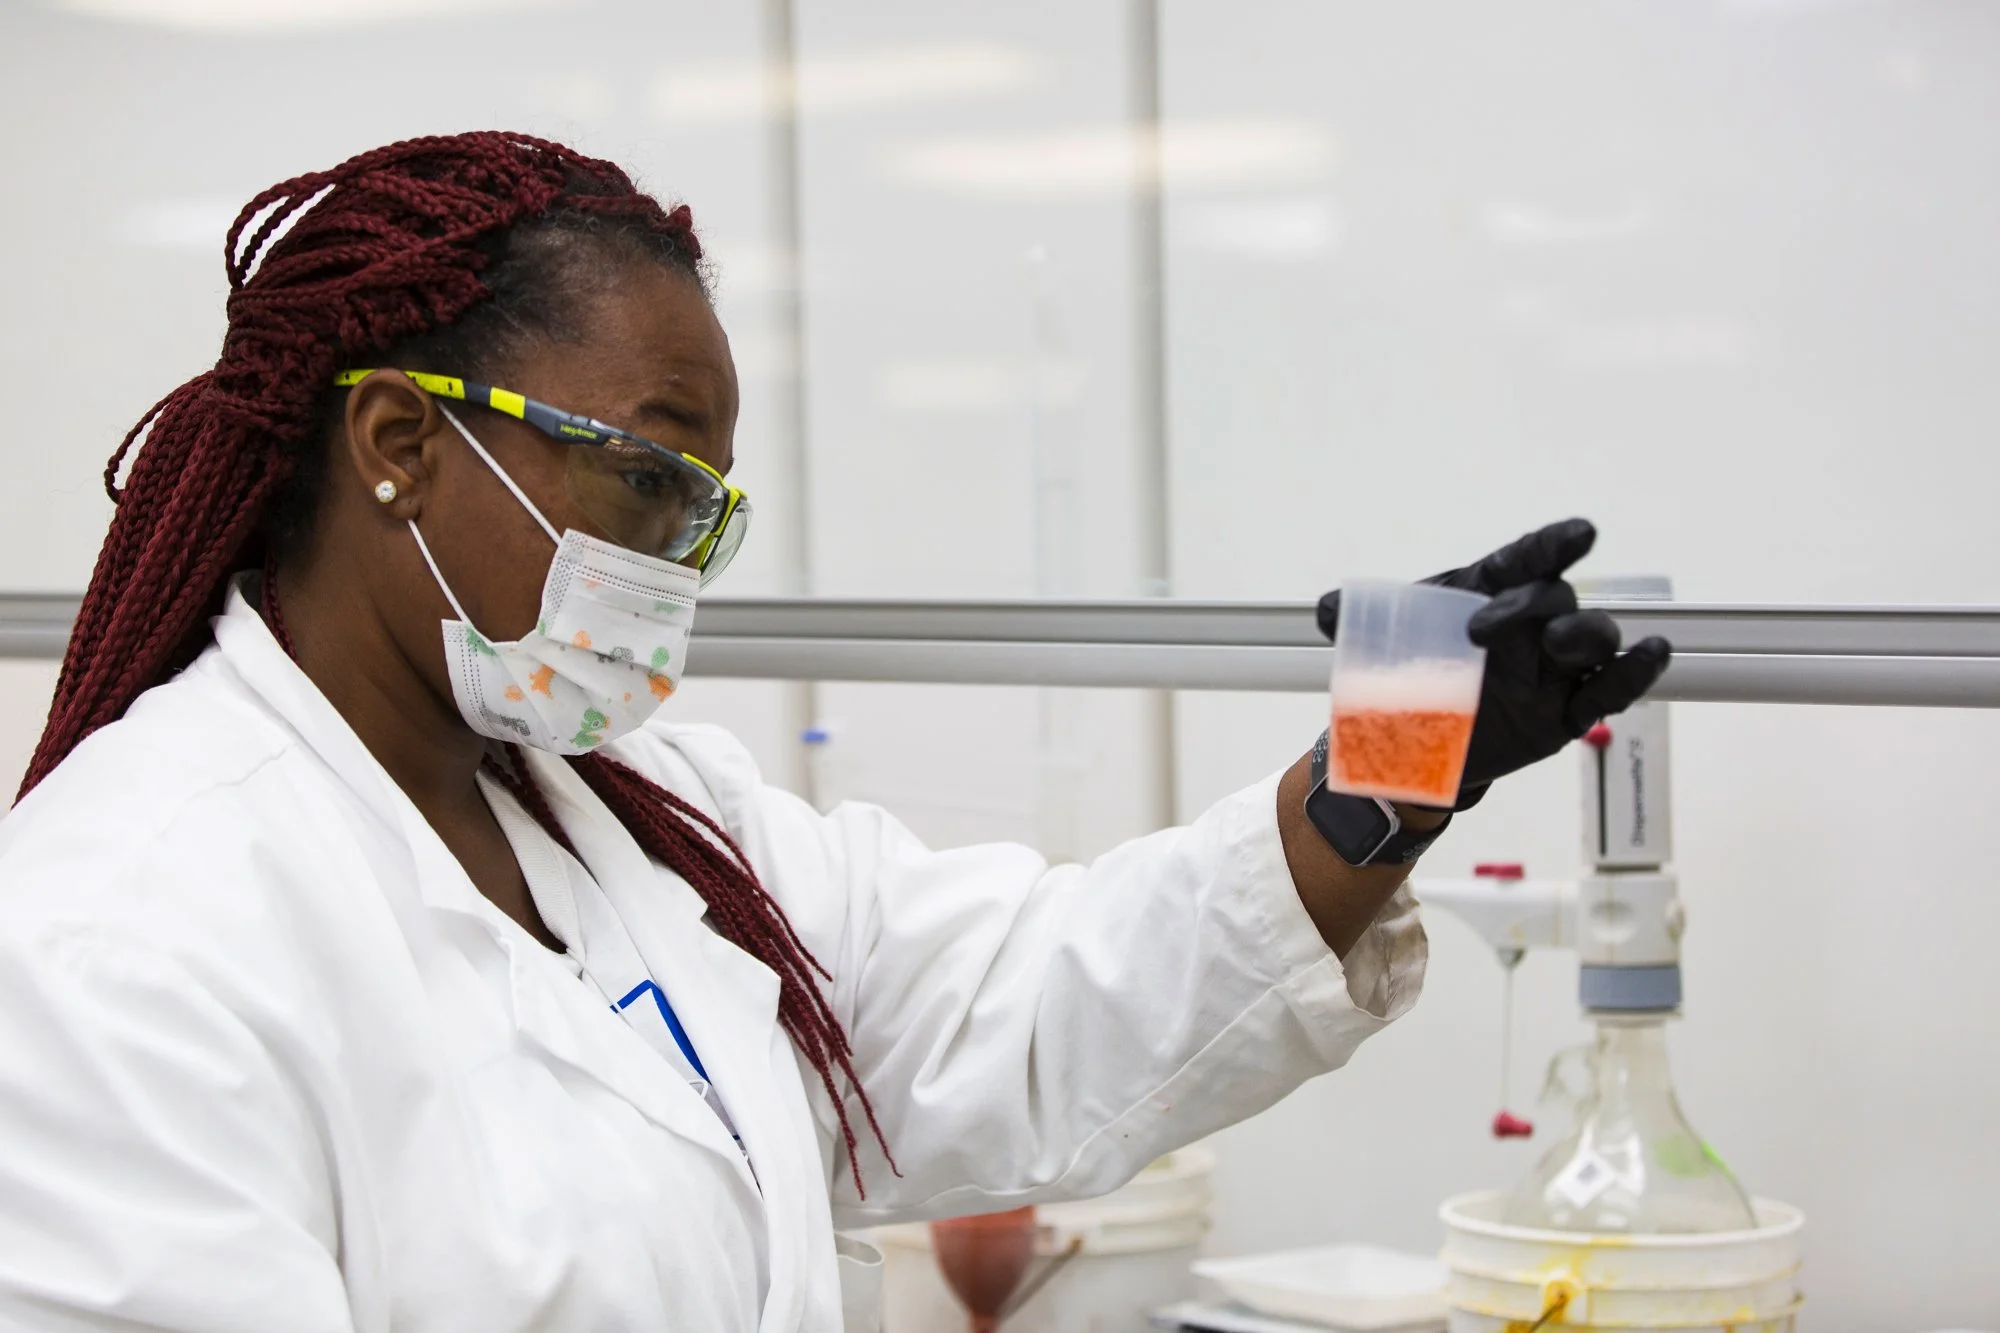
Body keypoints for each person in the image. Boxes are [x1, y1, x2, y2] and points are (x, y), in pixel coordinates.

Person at [0, 133, 1669, 1332]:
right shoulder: (118, 940)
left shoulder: (639, 827)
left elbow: (1022, 1001)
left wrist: (1388, 772)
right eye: (645, 478)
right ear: (396, 445)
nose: (670, 567)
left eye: (701, 513)